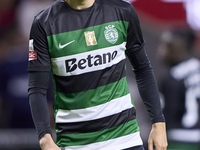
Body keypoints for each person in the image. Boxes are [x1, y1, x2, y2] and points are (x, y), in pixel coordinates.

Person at [28, 0, 167, 150]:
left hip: (126, 139)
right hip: (75, 143)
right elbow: (37, 89)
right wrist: (45, 137)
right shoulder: (44, 23)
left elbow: (142, 69)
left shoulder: (122, 11)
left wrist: (158, 123)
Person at [157, 28, 200, 150]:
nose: (161, 49)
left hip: (177, 140)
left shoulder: (171, 77)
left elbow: (165, 114)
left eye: (166, 45)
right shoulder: (197, 66)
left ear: (179, 46)